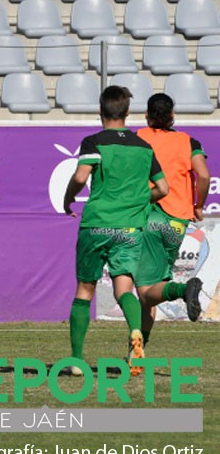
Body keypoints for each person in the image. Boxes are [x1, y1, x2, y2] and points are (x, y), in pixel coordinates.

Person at [62, 86, 169, 377]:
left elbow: (81, 176)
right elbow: (163, 189)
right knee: (125, 288)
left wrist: (67, 198)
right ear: (127, 113)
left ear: (101, 112)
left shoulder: (94, 142)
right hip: (129, 228)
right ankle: (135, 329)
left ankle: (76, 361)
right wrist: (136, 201)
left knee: (85, 290)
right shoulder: (144, 147)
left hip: (97, 224)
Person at [135, 93, 210, 342]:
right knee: (153, 288)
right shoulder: (188, 141)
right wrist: (199, 206)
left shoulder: (140, 137)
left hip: (149, 217)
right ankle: (137, 356)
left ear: (147, 115)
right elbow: (204, 175)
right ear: (172, 116)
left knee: (145, 292)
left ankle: (182, 289)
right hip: (176, 223)